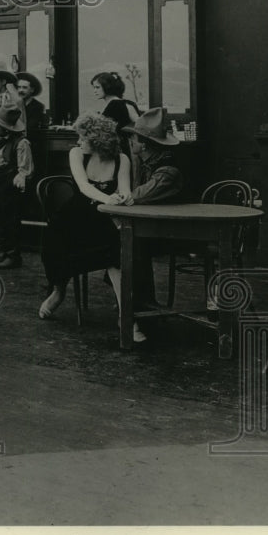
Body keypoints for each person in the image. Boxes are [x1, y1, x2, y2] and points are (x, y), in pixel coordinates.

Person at [38, 112, 144, 342]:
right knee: (54, 240)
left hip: (105, 218)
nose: (78, 142)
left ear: (97, 139)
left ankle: (126, 315)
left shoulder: (122, 159)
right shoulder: (76, 154)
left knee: (117, 251)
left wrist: (122, 197)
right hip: (75, 216)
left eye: (83, 138)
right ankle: (58, 291)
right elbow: (84, 187)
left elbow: (124, 188)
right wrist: (107, 198)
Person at [120, 107, 186, 308]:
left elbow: (138, 196)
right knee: (128, 242)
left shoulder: (167, 170)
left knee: (132, 244)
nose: (130, 142)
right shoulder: (147, 161)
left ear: (144, 144)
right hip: (156, 227)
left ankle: (138, 301)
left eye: (134, 138)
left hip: (178, 233)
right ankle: (134, 298)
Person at [0, 102, 34, 270]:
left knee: (11, 220)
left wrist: (21, 177)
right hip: (0, 181)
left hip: (12, 184)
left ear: (7, 129)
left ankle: (12, 255)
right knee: (1, 218)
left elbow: (25, 169)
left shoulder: (21, 143)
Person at [91, 71, 141, 141]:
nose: (94, 91)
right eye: (94, 87)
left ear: (107, 86)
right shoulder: (127, 103)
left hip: (118, 147)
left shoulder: (115, 104)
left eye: (97, 87)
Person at [15, 71, 46, 140]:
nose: (21, 90)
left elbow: (31, 128)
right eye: (19, 87)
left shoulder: (38, 107)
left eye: (24, 87)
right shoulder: (15, 105)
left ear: (32, 90)